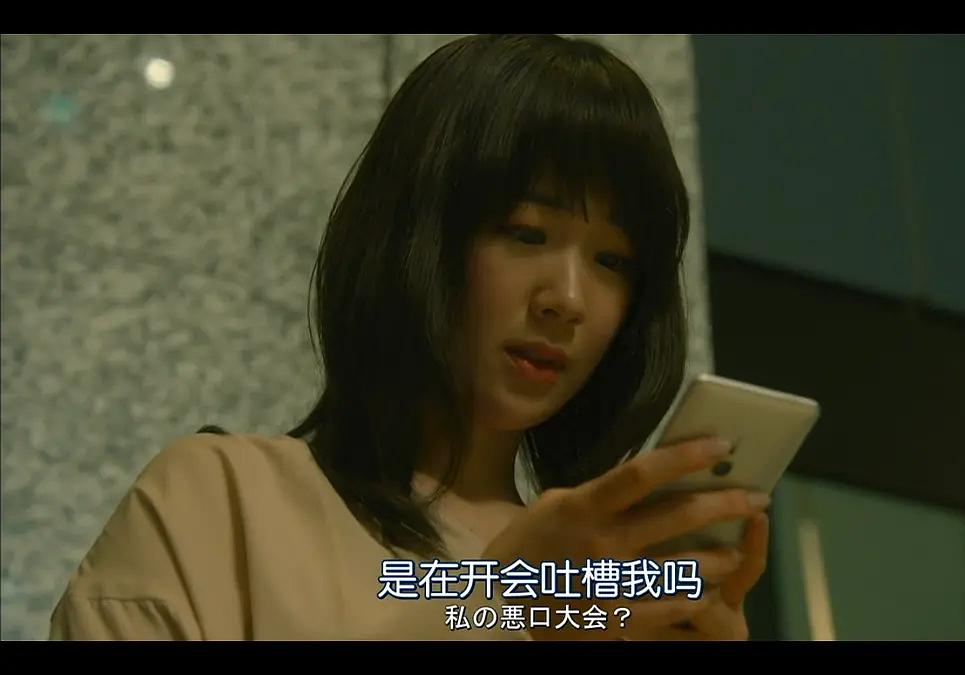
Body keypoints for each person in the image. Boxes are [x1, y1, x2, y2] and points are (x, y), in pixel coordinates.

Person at [48, 34, 771, 641]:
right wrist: (502, 608)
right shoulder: (222, 499)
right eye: (527, 232)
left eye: (613, 262)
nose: (569, 300)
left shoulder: (603, 591)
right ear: (417, 233)